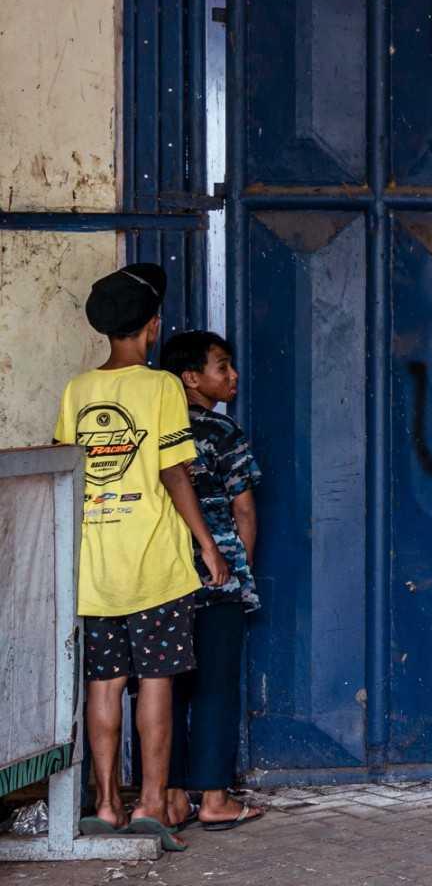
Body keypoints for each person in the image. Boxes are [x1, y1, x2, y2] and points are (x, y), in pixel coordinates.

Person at [54, 263, 229, 853]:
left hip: (94, 565)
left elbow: (68, 475)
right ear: (152, 327)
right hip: (153, 563)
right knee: (155, 681)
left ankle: (105, 806)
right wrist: (206, 544)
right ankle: (152, 803)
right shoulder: (158, 389)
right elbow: (173, 470)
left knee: (105, 684)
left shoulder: (78, 390)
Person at [156, 331, 264, 832]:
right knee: (217, 687)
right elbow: (243, 507)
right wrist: (241, 569)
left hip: (163, 579)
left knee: (166, 689)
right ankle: (215, 798)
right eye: (223, 367)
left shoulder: (157, 429)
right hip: (218, 579)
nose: (233, 375)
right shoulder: (223, 434)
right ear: (191, 378)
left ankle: (171, 798)